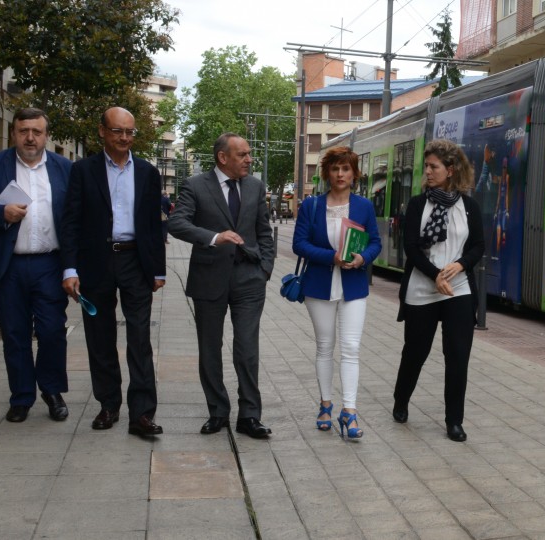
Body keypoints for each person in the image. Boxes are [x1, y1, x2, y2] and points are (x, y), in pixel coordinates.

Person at [0, 108, 72, 422]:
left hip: (50, 264)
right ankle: (21, 396)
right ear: (13, 133)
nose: (30, 137)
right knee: (14, 334)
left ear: (46, 135)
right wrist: (0, 214)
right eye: (24, 131)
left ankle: (52, 390)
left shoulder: (64, 168)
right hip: (9, 266)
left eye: (37, 131)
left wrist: (74, 267)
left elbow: (75, 220)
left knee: (52, 331)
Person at [60, 107, 166, 437]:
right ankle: (108, 405)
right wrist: (70, 267)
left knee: (140, 338)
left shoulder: (148, 172)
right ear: (102, 132)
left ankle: (142, 414)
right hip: (96, 262)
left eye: (130, 132)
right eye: (118, 131)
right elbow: (71, 222)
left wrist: (159, 270)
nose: (124, 138)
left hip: (136, 262)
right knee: (100, 338)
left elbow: (153, 225)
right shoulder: (83, 170)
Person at [168, 133, 276, 439]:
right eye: (242, 154)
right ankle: (217, 411)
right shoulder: (196, 185)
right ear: (222, 158)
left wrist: (265, 268)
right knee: (209, 349)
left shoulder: (255, 186)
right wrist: (215, 237)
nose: (249, 159)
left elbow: (264, 231)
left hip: (249, 279)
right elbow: (177, 224)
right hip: (209, 278)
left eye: (249, 154)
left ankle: (250, 416)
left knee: (247, 349)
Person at [392, 139, 485, 442]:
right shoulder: (418, 204)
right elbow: (411, 248)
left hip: (458, 290)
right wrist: (435, 275)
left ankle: (454, 421)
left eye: (434, 167)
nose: (428, 172)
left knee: (457, 356)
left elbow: (477, 246)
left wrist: (460, 266)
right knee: (415, 353)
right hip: (423, 287)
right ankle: (401, 400)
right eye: (427, 167)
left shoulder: (469, 207)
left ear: (451, 169)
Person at [293, 146, 381, 441]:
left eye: (346, 169)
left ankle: (350, 410)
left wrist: (362, 258)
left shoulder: (364, 207)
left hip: (353, 285)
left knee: (351, 347)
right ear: (327, 173)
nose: (340, 174)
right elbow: (299, 244)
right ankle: (325, 404)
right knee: (324, 346)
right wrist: (330, 257)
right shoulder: (311, 206)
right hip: (319, 284)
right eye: (335, 169)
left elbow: (375, 243)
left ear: (354, 174)